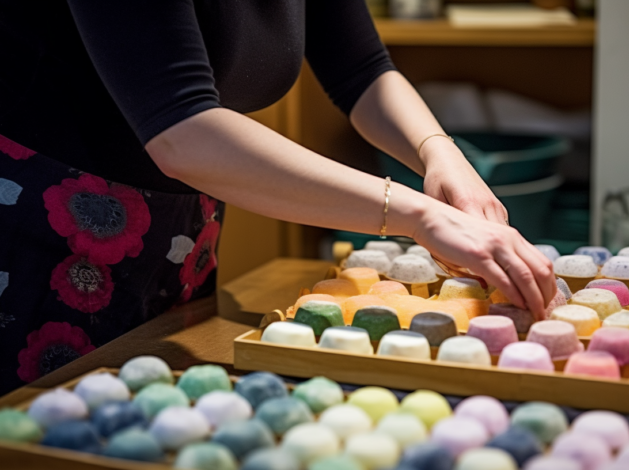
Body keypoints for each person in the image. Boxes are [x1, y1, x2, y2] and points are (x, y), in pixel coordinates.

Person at [0, 1, 555, 395]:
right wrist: (416, 212)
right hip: (38, 221)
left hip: (178, 225)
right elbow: (183, 128)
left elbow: (362, 69)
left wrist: (443, 157)